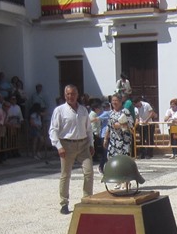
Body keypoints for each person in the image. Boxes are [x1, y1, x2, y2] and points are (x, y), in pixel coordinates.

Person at [48, 84, 94, 215]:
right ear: (64, 95)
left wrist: (91, 144)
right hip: (67, 145)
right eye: (68, 94)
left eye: (73, 94)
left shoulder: (83, 110)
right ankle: (64, 203)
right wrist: (59, 146)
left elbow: (89, 129)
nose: (70, 96)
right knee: (65, 174)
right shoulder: (59, 110)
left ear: (77, 94)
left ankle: (87, 199)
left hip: (83, 144)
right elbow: (53, 130)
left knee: (89, 172)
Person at [103, 94, 133, 159]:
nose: (114, 102)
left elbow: (131, 125)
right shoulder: (111, 113)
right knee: (111, 159)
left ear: (120, 101)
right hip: (113, 141)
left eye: (116, 100)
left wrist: (120, 125)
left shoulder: (125, 111)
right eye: (113, 100)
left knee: (123, 161)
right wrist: (105, 139)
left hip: (123, 141)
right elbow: (108, 126)